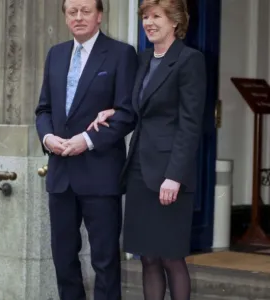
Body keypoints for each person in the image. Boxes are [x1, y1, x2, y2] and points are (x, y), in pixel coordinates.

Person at [88, 0, 207, 299]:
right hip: (140, 171)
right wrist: (114, 112)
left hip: (169, 175)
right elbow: (139, 109)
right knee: (148, 257)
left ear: (175, 22)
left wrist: (174, 176)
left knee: (170, 257)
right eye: (145, 16)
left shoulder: (190, 60)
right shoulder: (143, 59)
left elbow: (190, 125)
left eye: (156, 16)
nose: (148, 22)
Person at [35, 0, 138, 299]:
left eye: (86, 11)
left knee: (105, 262)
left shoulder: (121, 54)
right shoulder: (55, 54)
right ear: (66, 17)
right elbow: (44, 109)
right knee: (63, 259)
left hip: (100, 172)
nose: (78, 17)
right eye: (72, 11)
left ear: (100, 15)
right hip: (61, 174)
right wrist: (47, 138)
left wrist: (87, 141)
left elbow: (127, 113)